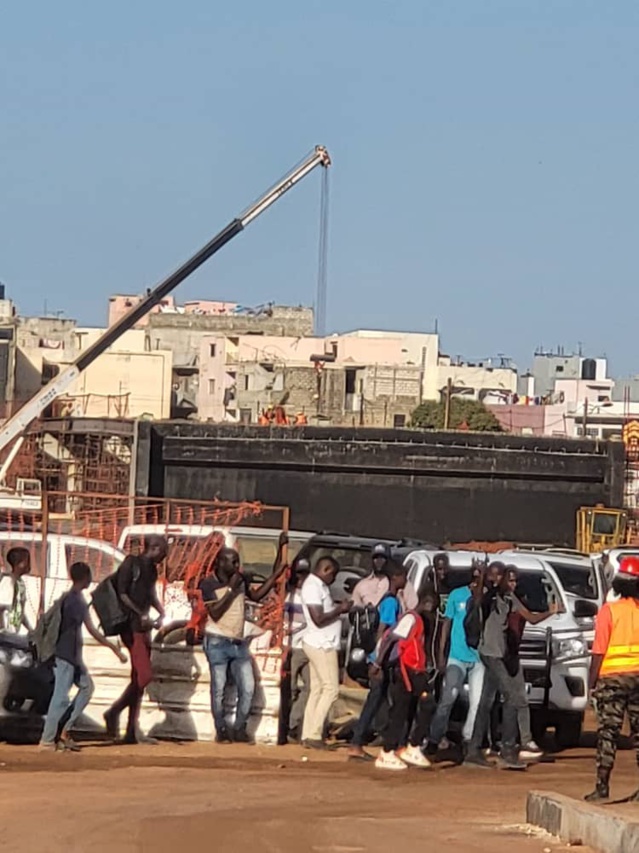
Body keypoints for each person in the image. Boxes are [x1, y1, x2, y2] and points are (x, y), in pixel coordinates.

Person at [464, 563, 556, 770]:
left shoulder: (508, 598)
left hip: (499, 654)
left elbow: (531, 618)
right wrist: (482, 579)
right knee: (513, 697)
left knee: (486, 702)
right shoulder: (489, 596)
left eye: (501, 576)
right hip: (490, 653)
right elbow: (479, 600)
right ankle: (507, 750)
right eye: (494, 576)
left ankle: (473, 750)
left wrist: (551, 612)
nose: (498, 580)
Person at [201, 540, 288, 744]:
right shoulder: (209, 584)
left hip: (238, 642)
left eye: (237, 561)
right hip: (217, 640)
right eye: (233, 562)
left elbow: (257, 595)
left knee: (248, 687)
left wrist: (276, 571)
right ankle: (221, 729)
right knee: (219, 689)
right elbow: (214, 613)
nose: (237, 565)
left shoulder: (239, 580)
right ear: (221, 563)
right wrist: (231, 590)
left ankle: (240, 728)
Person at [40, 562, 126, 752]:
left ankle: (64, 730)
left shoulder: (72, 598)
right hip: (66, 655)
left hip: (71, 655)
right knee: (60, 697)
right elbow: (92, 630)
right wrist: (114, 648)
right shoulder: (75, 601)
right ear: (85, 577)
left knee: (86, 688)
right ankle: (47, 740)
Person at [104, 535, 167, 744]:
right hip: (131, 627)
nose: (165, 555)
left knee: (137, 679)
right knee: (145, 676)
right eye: (164, 550)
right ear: (155, 548)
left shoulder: (151, 570)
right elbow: (122, 594)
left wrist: (159, 610)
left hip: (143, 626)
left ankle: (131, 730)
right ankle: (114, 711)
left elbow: (150, 593)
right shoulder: (131, 563)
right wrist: (140, 613)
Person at [586, 555, 639, 802]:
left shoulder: (609, 611)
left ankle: (602, 786)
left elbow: (599, 650)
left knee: (608, 732)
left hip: (612, 679)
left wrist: (592, 681)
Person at [348, 561, 407, 760]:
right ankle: (356, 743)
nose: (406, 580)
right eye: (404, 576)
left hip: (381, 659)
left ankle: (383, 741)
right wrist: (377, 662)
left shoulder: (389, 599)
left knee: (380, 701)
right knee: (374, 702)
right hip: (380, 661)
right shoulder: (391, 602)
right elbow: (384, 634)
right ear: (397, 577)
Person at [427, 562, 485, 756]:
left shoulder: (487, 598)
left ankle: (468, 739)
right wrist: (442, 654)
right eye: (476, 576)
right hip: (457, 656)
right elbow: (446, 624)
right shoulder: (457, 595)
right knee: (448, 697)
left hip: (478, 659)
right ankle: (434, 737)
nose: (478, 581)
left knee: (477, 703)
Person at [374, 592, 433, 770]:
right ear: (427, 603)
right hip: (407, 671)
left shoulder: (417, 620)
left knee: (410, 708)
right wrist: (377, 663)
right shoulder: (411, 618)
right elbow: (392, 638)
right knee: (411, 707)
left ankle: (408, 746)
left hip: (414, 671)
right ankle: (389, 751)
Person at [300, 556, 351, 749]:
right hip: (322, 644)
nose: (334, 579)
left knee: (318, 689)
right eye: (333, 575)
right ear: (326, 569)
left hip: (319, 641)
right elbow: (318, 619)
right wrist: (340, 609)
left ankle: (308, 733)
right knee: (331, 689)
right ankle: (313, 734)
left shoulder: (317, 585)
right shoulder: (313, 586)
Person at [282, 558, 311, 743]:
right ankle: (286, 726)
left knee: (311, 687)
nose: (301, 577)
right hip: (290, 645)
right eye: (298, 574)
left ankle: (294, 722)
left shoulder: (312, 594)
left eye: (304, 573)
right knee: (290, 688)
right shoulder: (287, 595)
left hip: (308, 646)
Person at [351, 543, 418, 610]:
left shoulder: (398, 582)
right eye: (376, 558)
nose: (379, 561)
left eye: (382, 558)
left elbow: (413, 608)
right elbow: (354, 611)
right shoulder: (361, 586)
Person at [0, 547, 33, 634]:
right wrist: (3, 630)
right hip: (5, 634)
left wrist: (31, 630)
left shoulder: (20, 583)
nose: (29, 565)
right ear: (19, 564)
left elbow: (19, 612)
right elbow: (2, 607)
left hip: (12, 633)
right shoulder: (8, 581)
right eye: (27, 561)